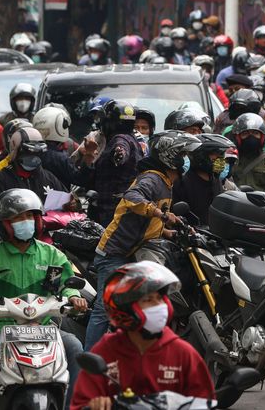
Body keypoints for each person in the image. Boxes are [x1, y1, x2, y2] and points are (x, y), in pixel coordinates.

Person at [0, 188, 86, 410]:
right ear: (4, 224)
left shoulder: (52, 255)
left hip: (45, 326)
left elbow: (66, 286)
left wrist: (74, 297)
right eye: (18, 218)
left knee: (76, 348)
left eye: (30, 217)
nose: (26, 222)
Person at [85, 130, 201, 350]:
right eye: (182, 155)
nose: (185, 160)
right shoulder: (152, 178)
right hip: (114, 253)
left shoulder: (166, 183)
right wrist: (160, 213)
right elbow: (132, 198)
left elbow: (148, 226)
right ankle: (88, 359)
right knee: (105, 307)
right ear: (170, 156)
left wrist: (169, 230)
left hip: (133, 252)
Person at [72, 261, 214, 410]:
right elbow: (80, 401)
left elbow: (202, 401)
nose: (159, 306)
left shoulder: (182, 353)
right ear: (124, 310)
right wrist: (95, 403)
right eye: (148, 300)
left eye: (159, 299)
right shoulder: (106, 350)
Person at [82, 100, 142, 227]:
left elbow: (121, 150)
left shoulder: (120, 139)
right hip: (120, 211)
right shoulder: (133, 140)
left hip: (112, 214)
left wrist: (118, 154)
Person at [0, 127, 67, 216]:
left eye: (37, 153)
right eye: (28, 153)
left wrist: (72, 203)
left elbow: (66, 203)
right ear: (15, 151)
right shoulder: (0, 180)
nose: (34, 157)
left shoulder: (49, 178)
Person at [173, 133, 234, 225]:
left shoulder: (216, 180)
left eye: (222, 156)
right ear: (201, 155)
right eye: (216, 156)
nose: (221, 160)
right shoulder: (183, 182)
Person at [32, 106, 94, 187]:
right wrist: (89, 155)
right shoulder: (59, 158)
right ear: (58, 126)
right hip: (57, 198)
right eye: (64, 125)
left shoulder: (31, 151)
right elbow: (80, 179)